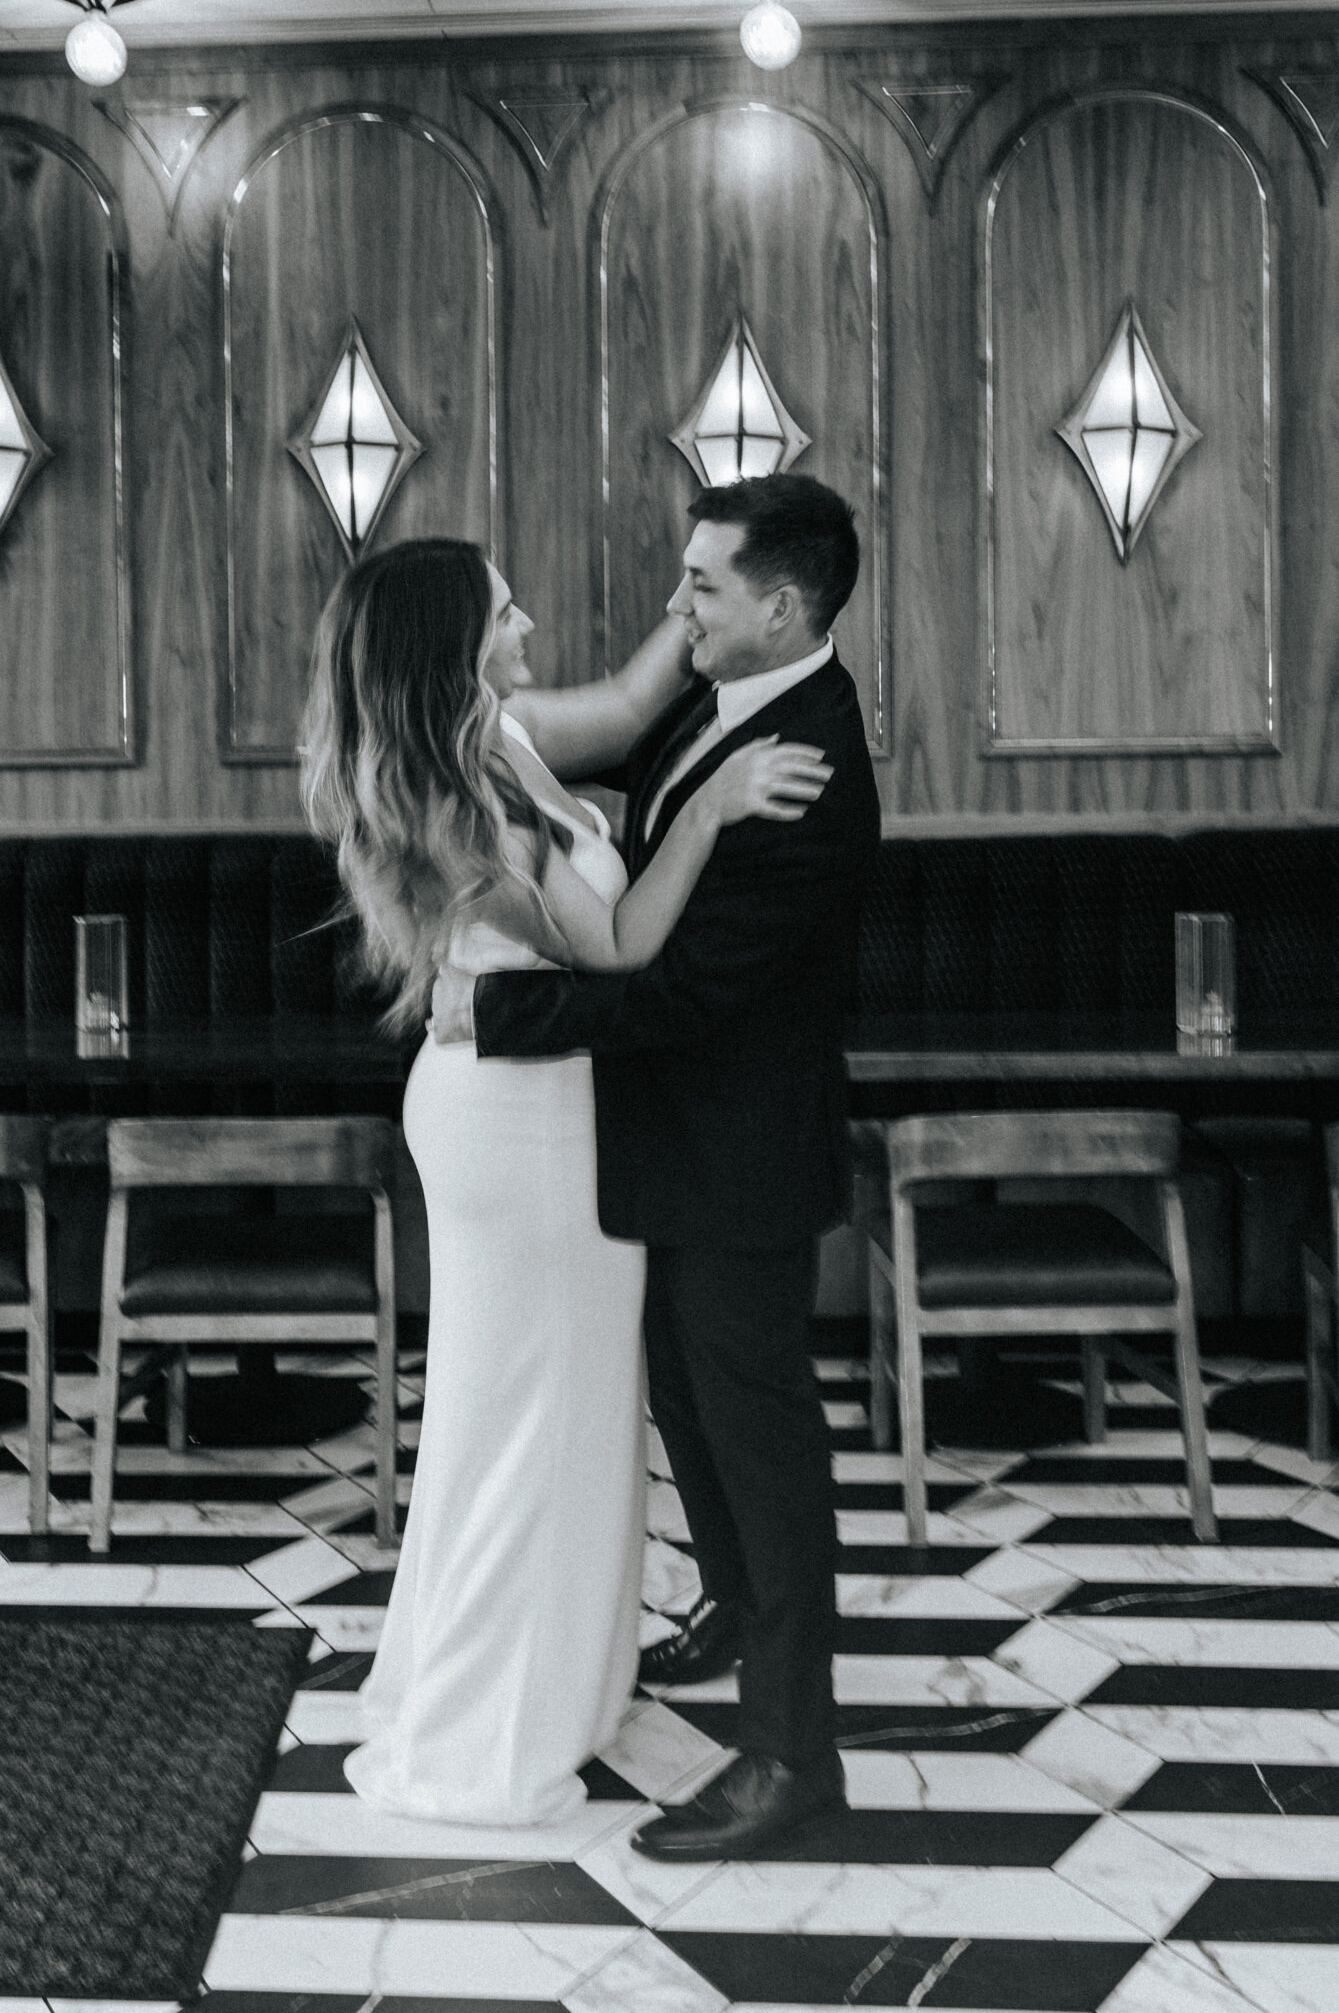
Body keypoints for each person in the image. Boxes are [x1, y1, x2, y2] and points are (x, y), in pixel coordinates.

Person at [300, 536, 830, 1826]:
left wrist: (695, 608)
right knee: (525, 1422)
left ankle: (561, 1689)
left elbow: (636, 707)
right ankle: (492, 1726)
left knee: (562, 1408)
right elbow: (617, 948)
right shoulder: (461, 798)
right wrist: (713, 806)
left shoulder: (503, 735)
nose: (528, 617)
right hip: (515, 1124)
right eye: (502, 609)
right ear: (453, 647)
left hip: (540, 1104)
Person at [433, 473, 880, 1861]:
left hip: (738, 1160)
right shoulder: (716, 698)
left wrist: (499, 1011)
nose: (675, 606)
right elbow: (627, 789)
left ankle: (794, 1756)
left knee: (763, 1440)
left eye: (701, 586)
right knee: (686, 1394)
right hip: (672, 1147)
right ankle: (736, 1610)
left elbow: (685, 996)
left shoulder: (807, 767)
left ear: (782, 606)